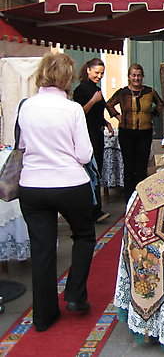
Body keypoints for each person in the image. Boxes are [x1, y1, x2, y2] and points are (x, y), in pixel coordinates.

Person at [18, 52, 96, 332]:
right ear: (67, 78)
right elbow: (85, 155)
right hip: (69, 182)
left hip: (32, 184)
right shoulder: (72, 109)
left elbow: (22, 145)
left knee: (42, 248)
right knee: (84, 236)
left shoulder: (26, 106)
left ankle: (43, 315)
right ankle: (75, 294)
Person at [106, 64, 164, 201]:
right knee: (129, 166)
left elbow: (161, 104)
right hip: (126, 133)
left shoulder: (150, 92)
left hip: (145, 133)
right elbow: (109, 104)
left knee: (141, 166)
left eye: (139, 75)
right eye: (133, 75)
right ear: (129, 77)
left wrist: (151, 115)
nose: (136, 78)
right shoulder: (122, 93)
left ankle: (141, 199)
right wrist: (118, 116)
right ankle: (129, 198)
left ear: (142, 77)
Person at [73, 58, 113, 223]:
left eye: (102, 73)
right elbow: (79, 113)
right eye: (97, 73)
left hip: (97, 134)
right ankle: (92, 211)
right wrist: (93, 100)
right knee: (91, 171)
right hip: (87, 136)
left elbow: (96, 113)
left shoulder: (96, 89)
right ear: (88, 70)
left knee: (97, 171)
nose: (99, 76)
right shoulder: (81, 90)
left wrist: (106, 122)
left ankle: (96, 209)